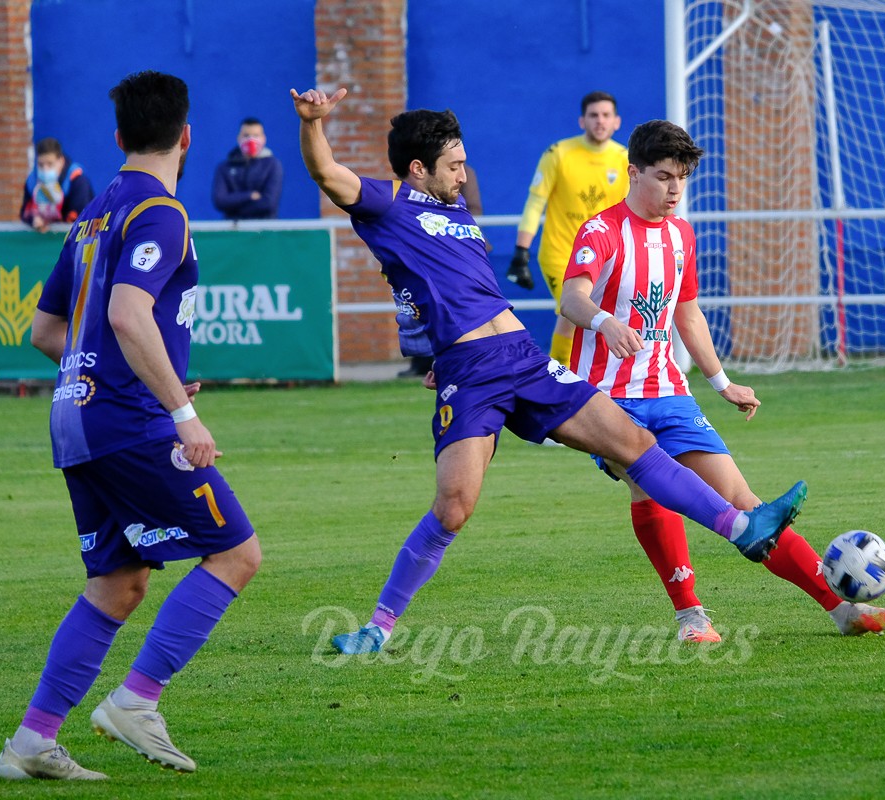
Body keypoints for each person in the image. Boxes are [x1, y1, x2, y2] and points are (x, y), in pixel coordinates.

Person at [290, 86, 807, 655]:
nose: (464, 175)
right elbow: (327, 172)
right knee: (454, 507)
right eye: (454, 166)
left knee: (632, 442)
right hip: (472, 374)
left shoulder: (456, 211)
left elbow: (449, 285)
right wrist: (313, 124)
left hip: (524, 359)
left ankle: (743, 527)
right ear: (418, 169)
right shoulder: (389, 204)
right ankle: (377, 629)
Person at [0, 70, 262, 781]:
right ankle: (136, 701)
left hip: (75, 420)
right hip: (128, 422)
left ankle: (30, 744)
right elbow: (126, 314)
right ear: (187, 136)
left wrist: (146, 375)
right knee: (237, 554)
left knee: (118, 582)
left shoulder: (91, 214)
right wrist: (181, 410)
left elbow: (47, 331)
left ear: (116, 138)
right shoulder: (162, 213)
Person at [560, 120, 885, 639]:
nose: (674, 190)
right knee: (648, 487)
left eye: (682, 179)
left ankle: (844, 610)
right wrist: (605, 321)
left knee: (748, 505)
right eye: (663, 177)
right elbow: (571, 298)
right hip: (608, 401)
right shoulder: (601, 231)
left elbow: (688, 314)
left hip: (670, 392)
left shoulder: (681, 235)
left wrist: (723, 384)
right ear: (633, 173)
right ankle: (691, 616)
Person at [509, 91, 628, 365]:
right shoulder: (559, 154)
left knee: (604, 317)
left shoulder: (625, 159)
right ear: (581, 121)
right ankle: (561, 379)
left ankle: (592, 380)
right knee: (571, 314)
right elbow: (535, 202)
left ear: (617, 122)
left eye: (606, 115)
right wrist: (521, 251)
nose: (600, 121)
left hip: (606, 254)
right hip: (560, 253)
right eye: (594, 115)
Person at [397, 163, 486, 378]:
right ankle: (421, 360)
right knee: (419, 301)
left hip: (454, 249)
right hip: (422, 247)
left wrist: (451, 228)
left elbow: (474, 208)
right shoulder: (411, 176)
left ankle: (466, 358)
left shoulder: (466, 173)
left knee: (458, 304)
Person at [212, 117, 283, 219]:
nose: (251, 140)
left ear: (264, 138)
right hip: (233, 230)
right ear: (238, 138)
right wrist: (250, 195)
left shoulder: (273, 165)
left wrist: (234, 208)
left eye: (256, 135)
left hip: (265, 230)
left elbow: (269, 204)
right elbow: (220, 201)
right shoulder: (224, 167)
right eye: (246, 135)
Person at [20, 137, 95, 232]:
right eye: (41, 164)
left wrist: (54, 224)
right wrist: (34, 219)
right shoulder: (32, 183)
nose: (45, 169)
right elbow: (24, 212)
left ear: (61, 161)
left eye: (50, 164)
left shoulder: (78, 181)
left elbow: (82, 216)